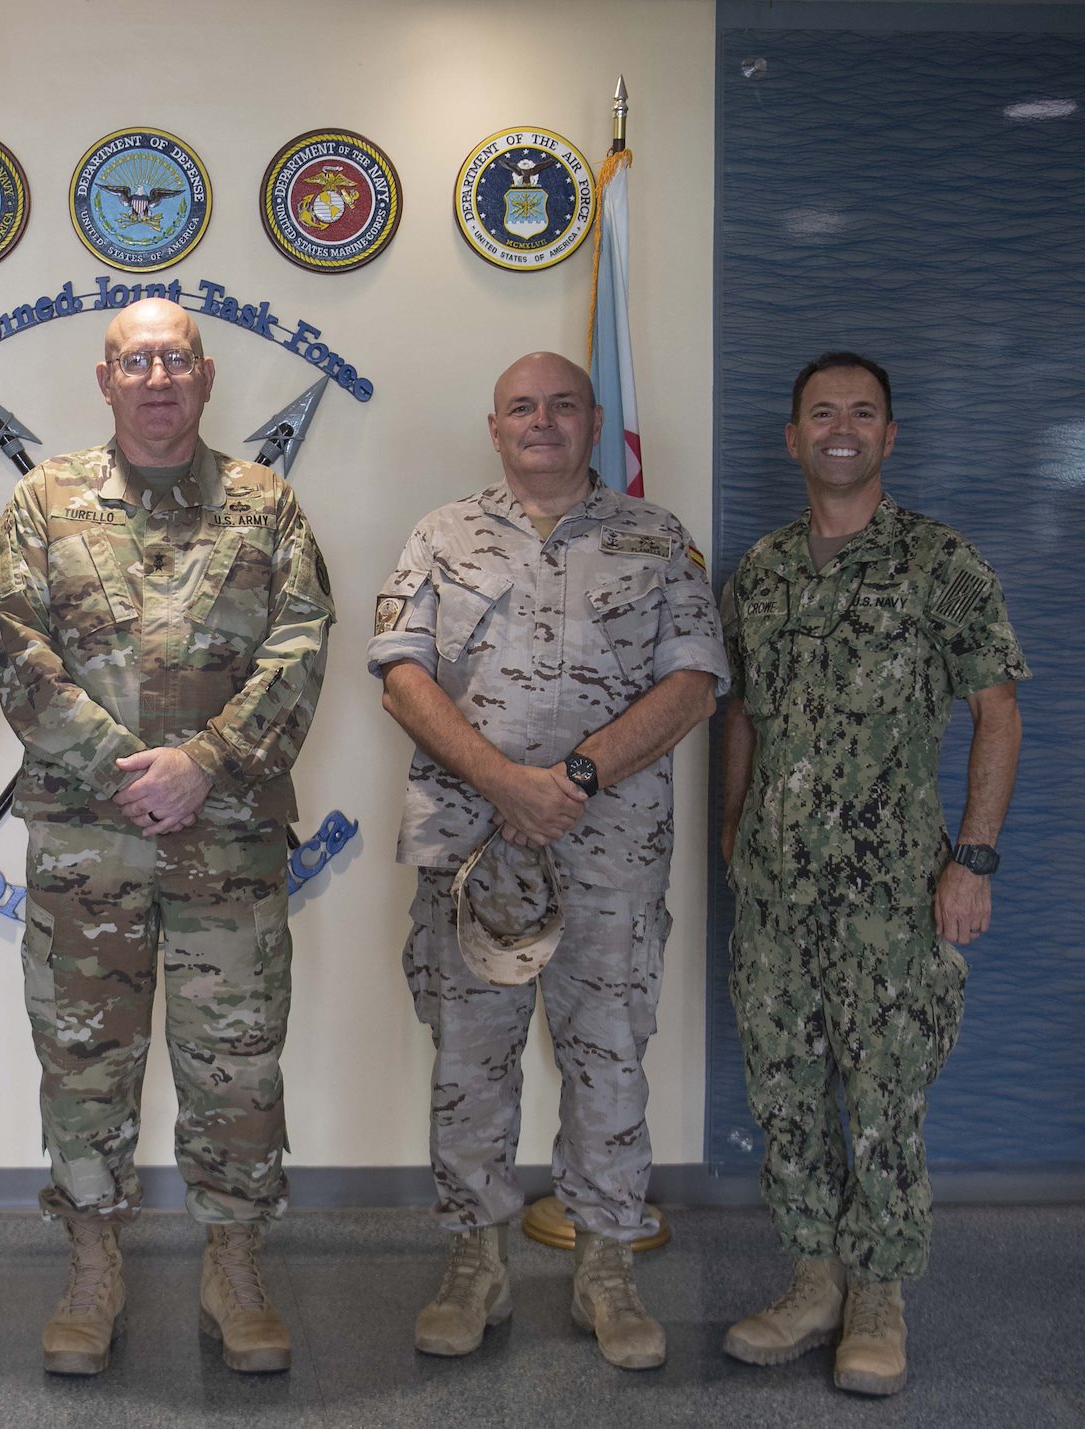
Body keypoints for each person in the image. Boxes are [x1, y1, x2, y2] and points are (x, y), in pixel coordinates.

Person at [0, 298, 335, 1376]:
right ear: (105, 379)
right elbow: (13, 647)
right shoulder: (43, 503)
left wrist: (205, 763)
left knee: (236, 1061)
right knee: (83, 1061)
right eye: (136, 362)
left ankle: (233, 1267)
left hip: (228, 842)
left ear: (206, 374)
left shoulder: (267, 506)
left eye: (175, 359)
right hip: (89, 847)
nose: (157, 378)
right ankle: (93, 1265)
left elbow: (301, 646)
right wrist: (122, 768)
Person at [366, 351, 725, 1370]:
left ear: (593, 423)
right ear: (495, 428)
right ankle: (472, 1263)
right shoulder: (441, 535)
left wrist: (571, 777)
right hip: (471, 852)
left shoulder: (655, 538)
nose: (541, 421)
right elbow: (399, 675)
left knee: (608, 1059)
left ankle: (605, 1266)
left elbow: (694, 681)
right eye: (520, 407)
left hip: (609, 851)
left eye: (562, 405)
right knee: (468, 1063)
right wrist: (503, 782)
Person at [718, 352, 1026, 1397]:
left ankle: (879, 1294)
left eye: (861, 413)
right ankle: (813, 1280)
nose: (840, 428)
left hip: (892, 892)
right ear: (792, 437)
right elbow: (741, 714)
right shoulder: (760, 572)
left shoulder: (939, 563)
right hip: (774, 893)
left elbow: (996, 712)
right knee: (786, 1091)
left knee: (886, 1095)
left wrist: (972, 860)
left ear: (887, 437)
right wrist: (731, 830)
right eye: (821, 413)